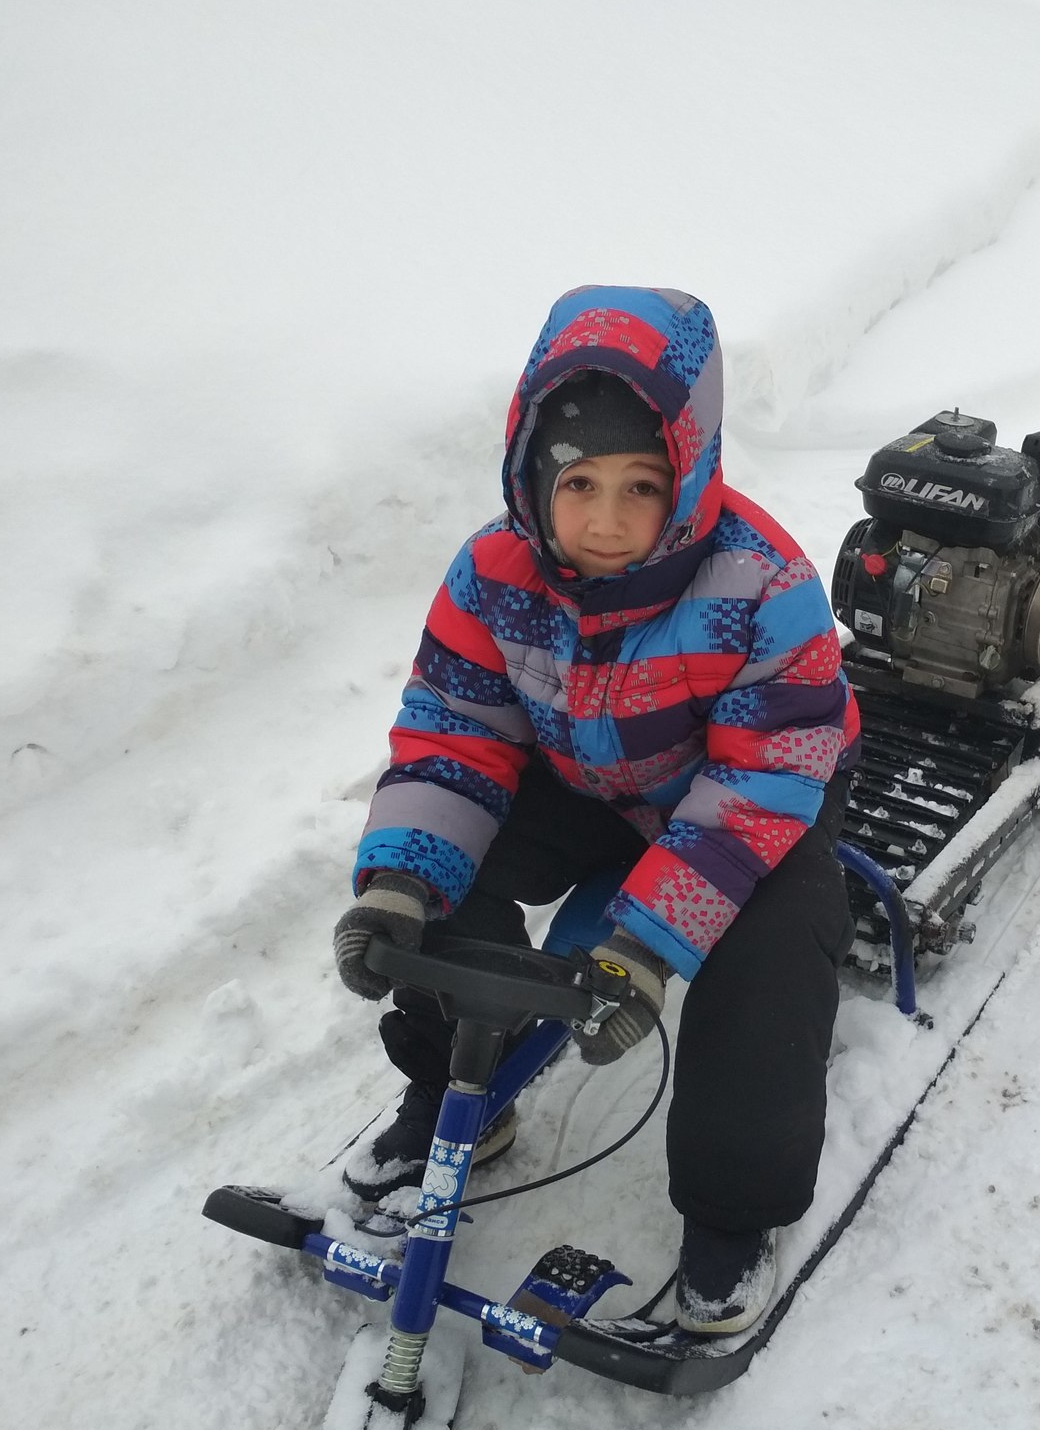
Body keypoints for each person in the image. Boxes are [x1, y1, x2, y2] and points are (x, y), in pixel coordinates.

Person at [331, 286, 860, 1336]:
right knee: (447, 882)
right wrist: (398, 880)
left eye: (642, 485)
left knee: (770, 953)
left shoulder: (763, 583)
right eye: (578, 483)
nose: (607, 520)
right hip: (588, 777)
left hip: (756, 794)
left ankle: (733, 1209)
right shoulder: (494, 573)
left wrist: (648, 946)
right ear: (532, 475)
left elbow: (758, 783)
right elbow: (456, 733)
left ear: (693, 473)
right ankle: (456, 1092)